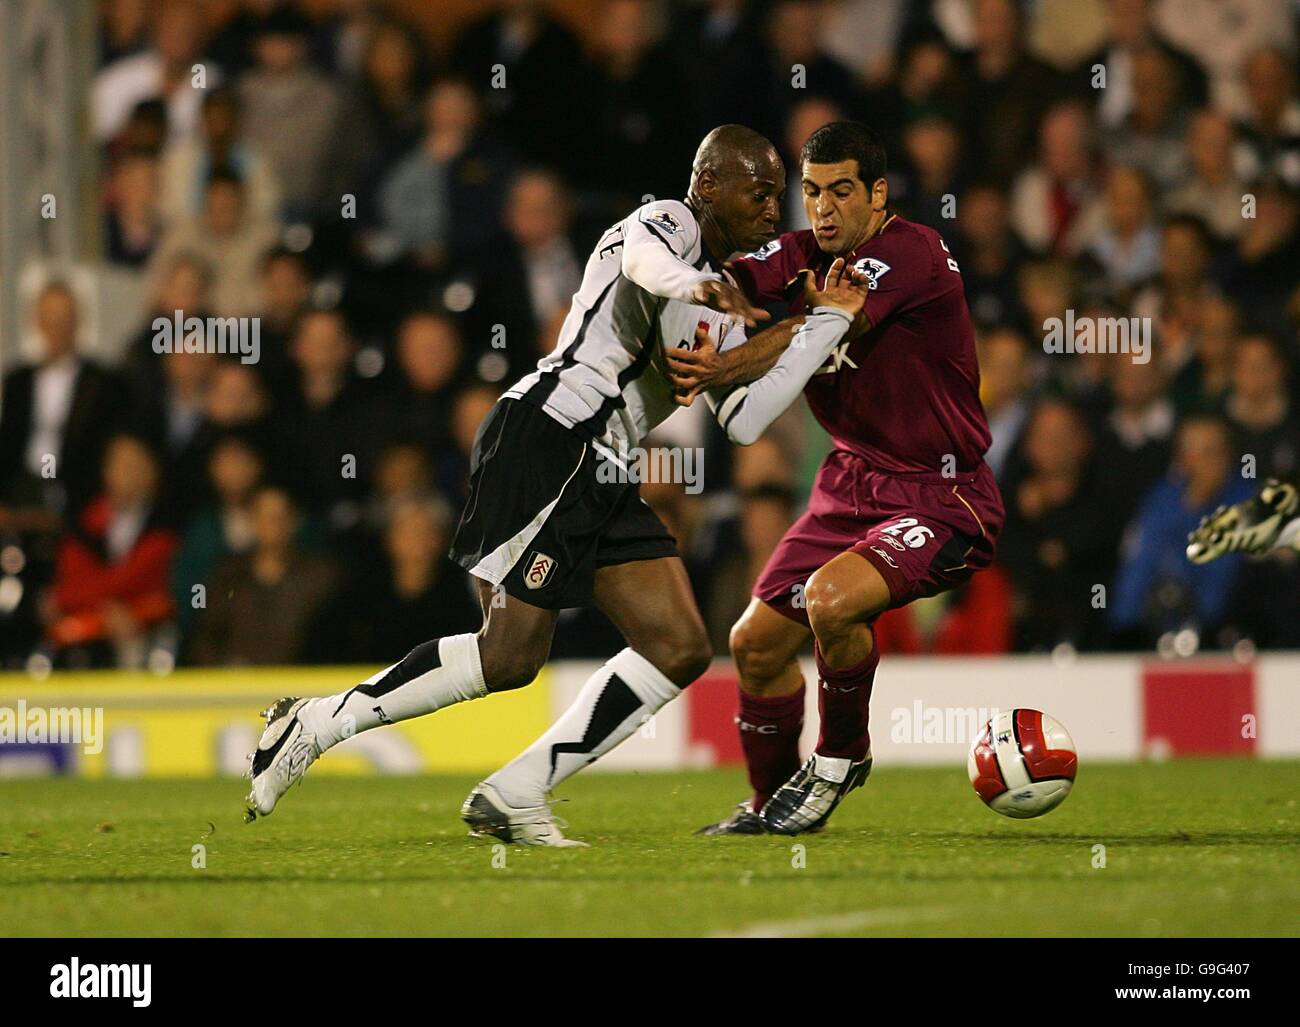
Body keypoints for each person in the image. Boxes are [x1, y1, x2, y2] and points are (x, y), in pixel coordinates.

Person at [243, 125, 871, 847]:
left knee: (678, 645)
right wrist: (690, 281)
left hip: (604, 464)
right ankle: (318, 720)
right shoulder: (667, 221)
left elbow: (746, 418)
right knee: (508, 654)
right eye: (758, 192)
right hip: (549, 437)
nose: (772, 210)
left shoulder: (723, 296)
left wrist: (826, 322)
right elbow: (644, 263)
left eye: (775, 195)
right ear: (710, 186)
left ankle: (515, 791)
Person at [666, 121, 1004, 835]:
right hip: (850, 483)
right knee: (753, 642)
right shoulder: (799, 253)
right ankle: (768, 804)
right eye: (811, 192)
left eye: (840, 191)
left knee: (829, 601)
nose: (822, 210)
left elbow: (824, 327)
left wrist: (723, 365)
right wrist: (685, 294)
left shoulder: (911, 254)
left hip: (940, 493)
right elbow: (722, 280)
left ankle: (842, 755)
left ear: (877, 194)